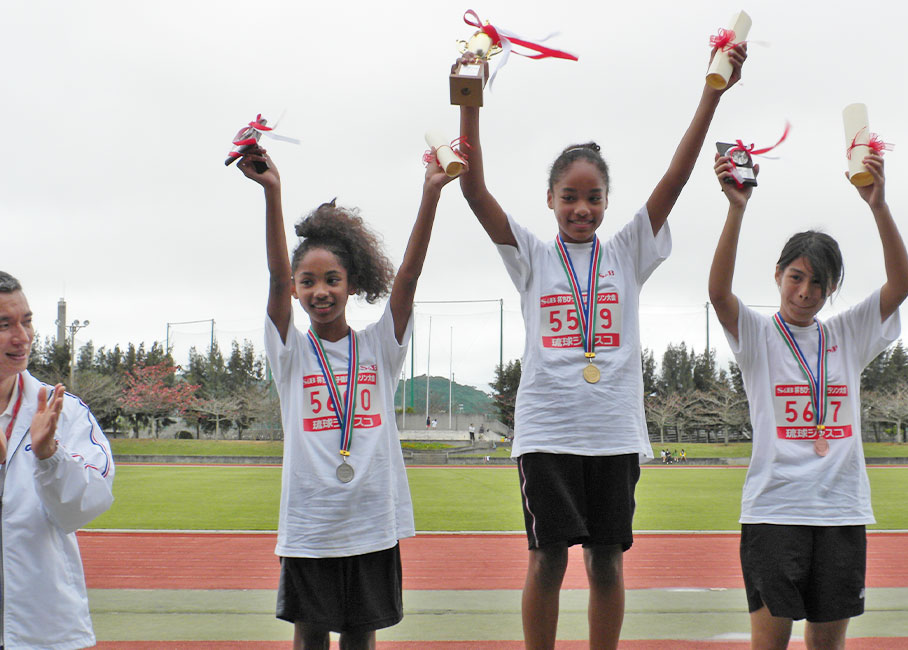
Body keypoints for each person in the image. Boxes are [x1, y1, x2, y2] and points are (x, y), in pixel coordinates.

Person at [457, 40, 747, 649]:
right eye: (569, 196)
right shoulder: (533, 256)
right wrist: (470, 101)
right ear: (550, 200)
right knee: (548, 560)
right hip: (547, 431)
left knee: (608, 561)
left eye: (592, 197)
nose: (581, 208)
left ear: (607, 202)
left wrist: (712, 94)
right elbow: (475, 193)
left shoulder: (627, 252)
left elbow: (678, 174)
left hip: (613, 432)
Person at [237, 145, 459, 649]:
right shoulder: (290, 352)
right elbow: (273, 276)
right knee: (310, 637)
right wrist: (273, 192)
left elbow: (408, 278)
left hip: (370, 521)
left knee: (361, 636)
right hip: (311, 526)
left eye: (332, 280)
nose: (321, 291)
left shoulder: (379, 347)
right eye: (308, 281)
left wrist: (431, 195)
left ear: (351, 284)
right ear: (295, 290)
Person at [707, 151, 908, 649]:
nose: (805, 291)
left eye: (818, 281)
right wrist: (736, 209)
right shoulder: (758, 335)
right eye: (796, 276)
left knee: (828, 646)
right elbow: (718, 293)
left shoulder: (848, 333)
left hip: (841, 512)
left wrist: (878, 206)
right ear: (778, 274)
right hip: (774, 511)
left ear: (833, 287)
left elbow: (903, 284)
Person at [0, 271, 115, 648]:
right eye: (5, 325)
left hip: (40, 624)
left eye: (27, 321)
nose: (22, 337)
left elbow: (82, 508)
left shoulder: (62, 411)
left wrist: (49, 456)